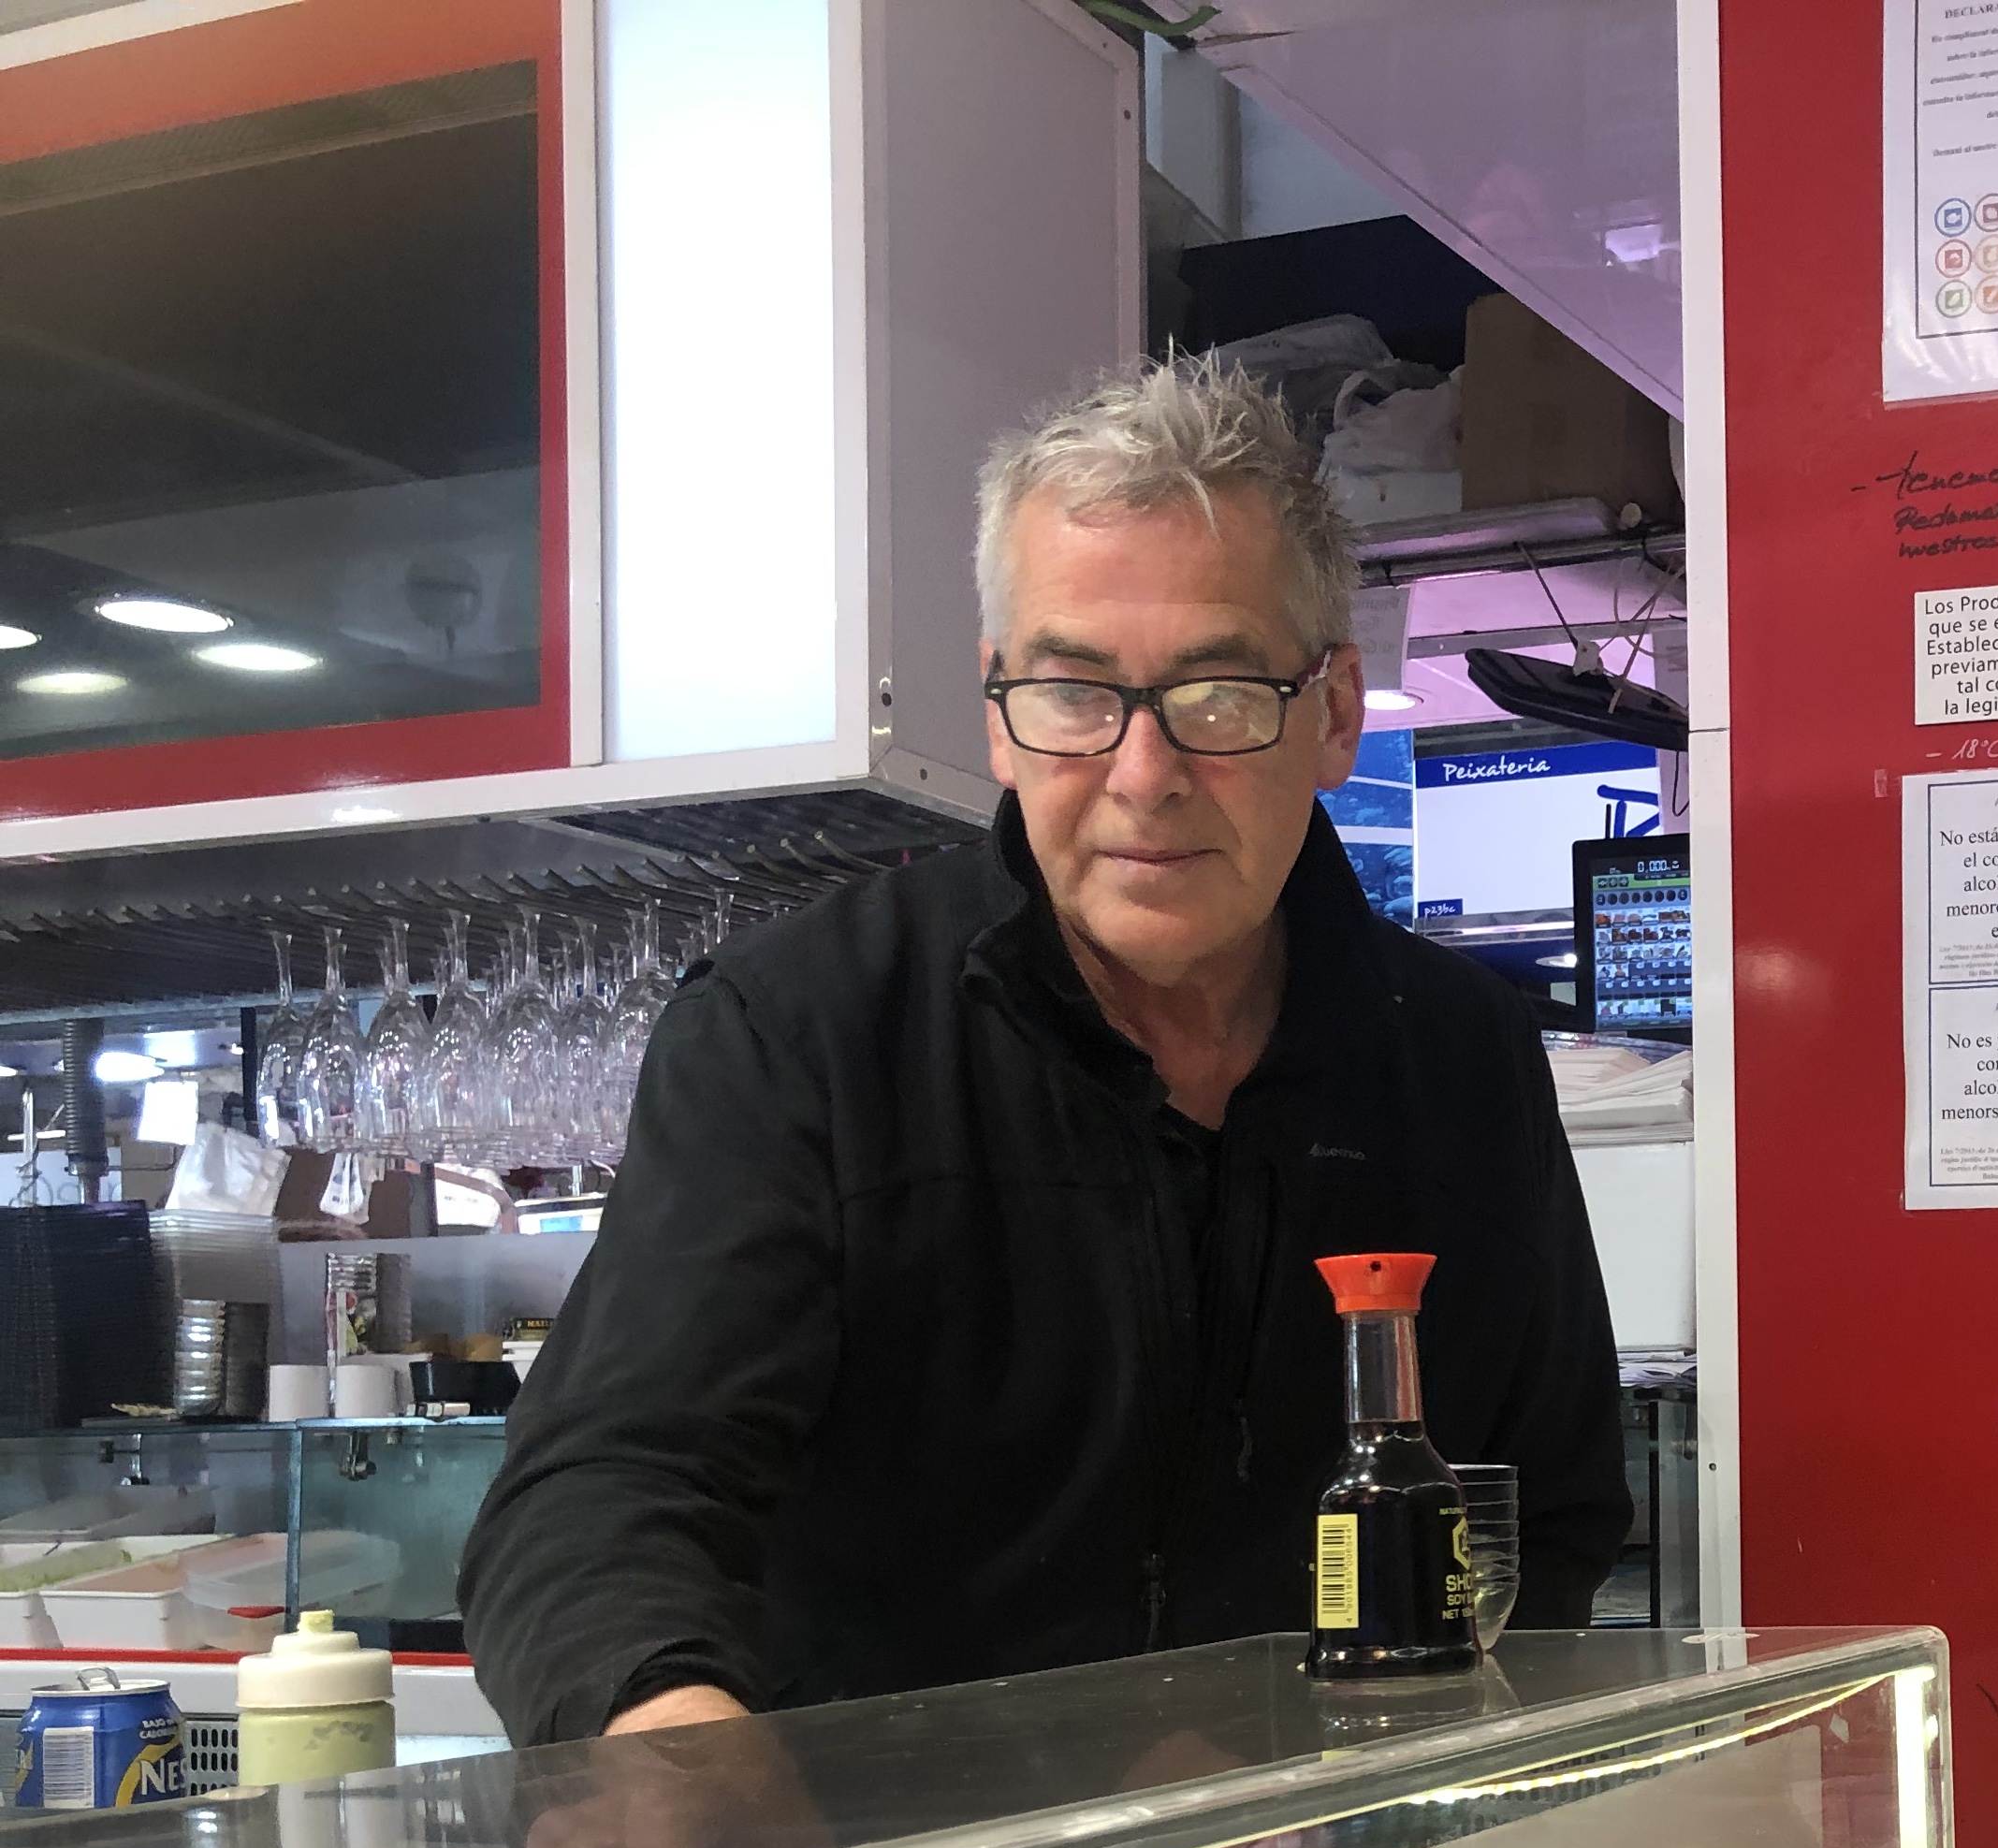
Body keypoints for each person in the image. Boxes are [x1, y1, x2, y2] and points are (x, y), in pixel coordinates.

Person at [461, 360, 1628, 1748]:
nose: (1144, 775)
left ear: (1332, 715)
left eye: (1217, 694)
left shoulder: (1463, 1058)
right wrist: (667, 1731)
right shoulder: (804, 1034)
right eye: (1074, 696)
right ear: (996, 710)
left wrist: (1382, 1787)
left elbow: (1546, 1514)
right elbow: (600, 1489)